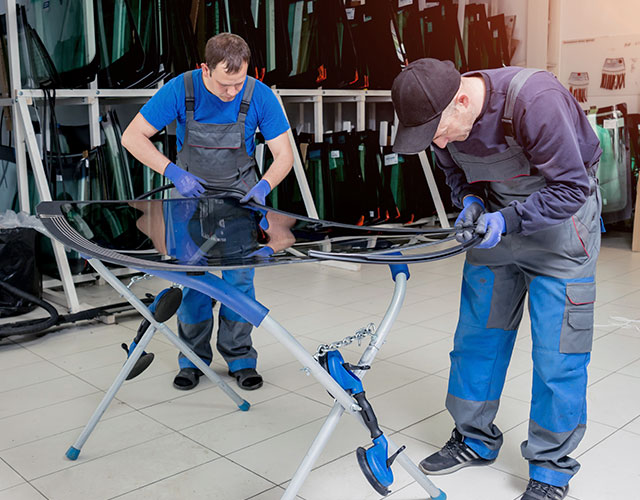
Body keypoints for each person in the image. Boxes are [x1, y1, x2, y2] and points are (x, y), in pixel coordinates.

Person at [391, 58, 602, 500]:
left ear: (461, 100)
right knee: (476, 338)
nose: (439, 143)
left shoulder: (535, 101)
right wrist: (470, 201)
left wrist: (506, 221)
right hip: (494, 227)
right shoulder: (443, 124)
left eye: (439, 133)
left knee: (558, 352)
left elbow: (570, 188)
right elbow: (455, 172)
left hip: (561, 232)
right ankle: (473, 439)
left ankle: (550, 470)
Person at [122, 33, 293, 391]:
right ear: (205, 69)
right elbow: (132, 137)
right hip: (190, 203)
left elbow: (284, 156)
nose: (232, 92)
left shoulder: (259, 94)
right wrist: (173, 172)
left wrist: (263, 187)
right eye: (224, 84)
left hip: (241, 203)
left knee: (239, 283)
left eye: (239, 83)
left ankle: (240, 357)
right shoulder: (181, 89)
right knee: (194, 283)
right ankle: (193, 359)